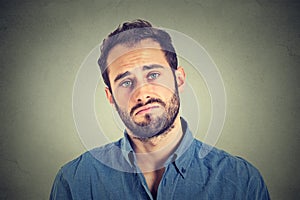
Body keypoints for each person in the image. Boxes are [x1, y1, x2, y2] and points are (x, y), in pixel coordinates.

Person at [50, 19, 270, 200]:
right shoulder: (75, 181)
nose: (142, 93)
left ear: (179, 79)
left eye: (153, 75)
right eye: (126, 82)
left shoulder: (242, 182)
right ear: (110, 97)